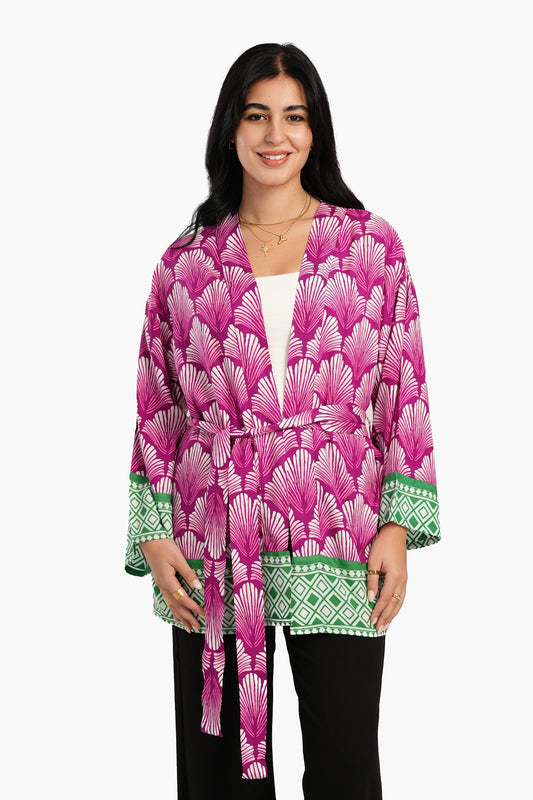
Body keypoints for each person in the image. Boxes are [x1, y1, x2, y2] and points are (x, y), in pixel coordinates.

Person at [125, 42, 440, 800]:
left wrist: (397, 527)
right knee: (218, 771)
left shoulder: (369, 245)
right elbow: (157, 405)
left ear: (314, 129)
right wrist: (153, 532)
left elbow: (404, 390)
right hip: (213, 533)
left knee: (344, 762)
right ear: (229, 129)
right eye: (256, 115)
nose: (275, 135)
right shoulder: (186, 262)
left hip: (339, 524)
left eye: (294, 117)